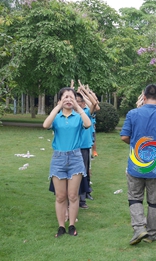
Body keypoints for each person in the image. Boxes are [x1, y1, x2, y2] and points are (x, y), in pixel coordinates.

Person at [120, 84, 156, 245]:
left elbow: (124, 137)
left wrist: (137, 145)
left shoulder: (133, 113)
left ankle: (139, 228)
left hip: (136, 163)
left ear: (143, 97)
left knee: (134, 197)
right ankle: (151, 233)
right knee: (154, 200)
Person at [43, 87, 92, 238]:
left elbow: (88, 124)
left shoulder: (78, 117)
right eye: (65, 97)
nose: (69, 100)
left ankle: (71, 225)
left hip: (75, 158)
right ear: (60, 100)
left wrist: (78, 107)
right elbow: (45, 125)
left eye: (71, 97)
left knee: (72, 195)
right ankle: (61, 226)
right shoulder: (56, 117)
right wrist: (57, 107)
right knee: (60, 196)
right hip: (58, 159)